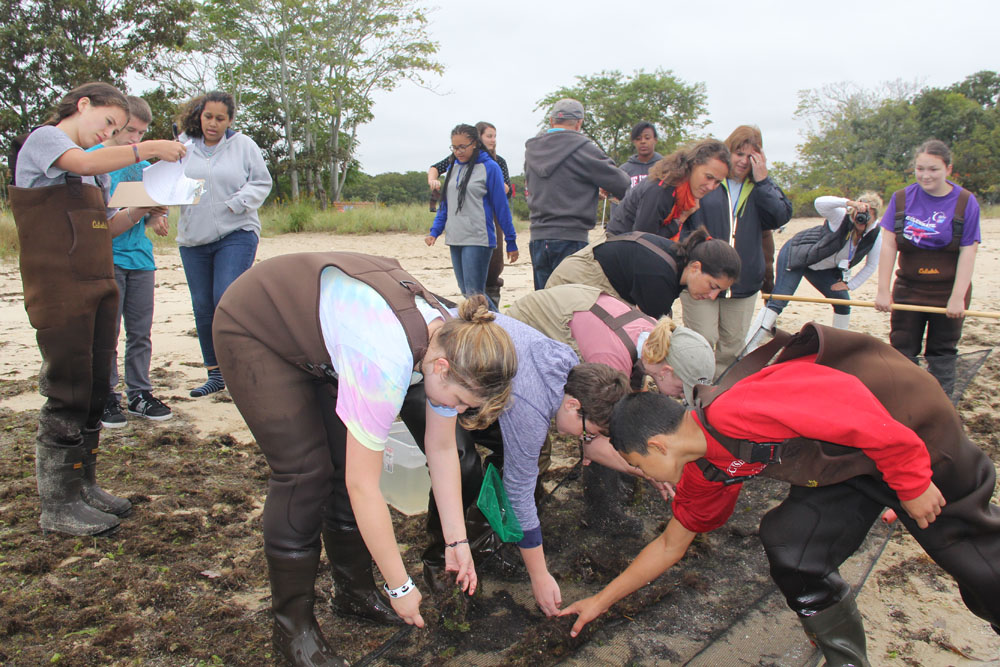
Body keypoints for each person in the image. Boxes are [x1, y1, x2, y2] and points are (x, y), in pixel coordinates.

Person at [561, 323, 1000, 667]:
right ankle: (846, 659)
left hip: (911, 429)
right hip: (842, 468)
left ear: (657, 445)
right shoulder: (705, 471)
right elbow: (670, 544)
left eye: (637, 465)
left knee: (969, 558)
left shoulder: (739, 407)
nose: (639, 473)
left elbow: (856, 408)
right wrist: (599, 602)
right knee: (791, 544)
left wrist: (912, 481)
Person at [212, 252, 518, 666]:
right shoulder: (386, 360)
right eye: (462, 403)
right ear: (441, 368)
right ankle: (292, 628)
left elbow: (442, 449)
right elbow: (365, 486)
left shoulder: (454, 338)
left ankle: (353, 592)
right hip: (256, 326)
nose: (459, 412)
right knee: (304, 474)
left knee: (342, 463)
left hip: (324, 337)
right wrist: (400, 586)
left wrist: (457, 541)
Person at [9, 82, 185, 536]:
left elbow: (103, 228)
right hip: (59, 285)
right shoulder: (48, 139)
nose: (108, 134)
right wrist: (146, 148)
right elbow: (84, 160)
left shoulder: (97, 174)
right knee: (67, 385)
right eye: (108, 123)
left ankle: (83, 485)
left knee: (93, 386)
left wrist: (142, 208)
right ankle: (58, 504)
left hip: (98, 281)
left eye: (118, 129)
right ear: (82, 104)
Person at [418, 313, 647, 618]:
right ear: (573, 406)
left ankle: (487, 541)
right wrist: (539, 577)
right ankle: (439, 559)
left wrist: (644, 469)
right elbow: (519, 491)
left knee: (529, 456)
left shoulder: (567, 365)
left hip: (483, 379)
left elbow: (580, 441)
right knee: (462, 463)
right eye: (587, 432)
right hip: (447, 371)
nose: (586, 439)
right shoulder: (531, 410)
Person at [507, 283, 715, 531]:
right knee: (572, 430)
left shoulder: (656, 338)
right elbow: (593, 444)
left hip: (570, 314)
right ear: (667, 371)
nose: (681, 396)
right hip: (525, 331)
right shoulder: (611, 360)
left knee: (615, 423)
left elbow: (634, 403)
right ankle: (600, 511)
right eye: (682, 390)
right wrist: (649, 470)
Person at [175, 90, 272, 398]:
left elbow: (261, 182)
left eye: (220, 118)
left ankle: (242, 369)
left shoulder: (244, 146)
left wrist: (236, 203)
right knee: (203, 306)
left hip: (236, 231)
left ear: (230, 120)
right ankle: (215, 374)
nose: (212, 124)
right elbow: (168, 182)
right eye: (207, 117)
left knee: (225, 298)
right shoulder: (183, 146)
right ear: (198, 116)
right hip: (193, 238)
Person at [681, 125, 792, 378]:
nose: (743, 161)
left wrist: (764, 181)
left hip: (743, 282)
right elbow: (684, 222)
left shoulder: (761, 189)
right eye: (738, 153)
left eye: (751, 155)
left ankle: (721, 397)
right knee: (702, 339)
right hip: (702, 276)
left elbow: (780, 216)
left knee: (732, 346)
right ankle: (696, 392)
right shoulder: (707, 183)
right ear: (727, 152)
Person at [91, 96, 173, 428]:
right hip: (106, 257)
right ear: (113, 126)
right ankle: (107, 396)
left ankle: (139, 392)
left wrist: (158, 215)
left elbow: (152, 211)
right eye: (131, 132)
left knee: (140, 332)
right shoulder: (94, 160)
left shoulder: (142, 166)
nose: (135, 140)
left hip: (140, 258)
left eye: (141, 134)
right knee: (107, 333)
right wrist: (142, 207)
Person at [875, 139, 981, 396]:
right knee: (902, 348)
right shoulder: (901, 199)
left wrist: (958, 298)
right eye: (920, 168)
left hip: (948, 291)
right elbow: (888, 246)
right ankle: (901, 403)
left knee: (942, 352)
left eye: (933, 169)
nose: (925, 175)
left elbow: (969, 250)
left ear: (948, 169)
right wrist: (882, 291)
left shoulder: (966, 202)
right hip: (909, 288)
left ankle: (942, 407)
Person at [745, 192, 883, 347]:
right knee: (779, 300)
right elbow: (820, 203)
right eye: (859, 215)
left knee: (843, 302)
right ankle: (749, 344)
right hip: (797, 255)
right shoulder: (841, 217)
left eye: (867, 217)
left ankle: (837, 347)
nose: (861, 220)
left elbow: (871, 265)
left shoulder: (875, 235)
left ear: (875, 218)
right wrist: (849, 204)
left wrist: (850, 285)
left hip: (822, 267)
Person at [523, 98, 630, 289]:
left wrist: (588, 191)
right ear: (579, 122)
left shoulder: (532, 150)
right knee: (571, 305)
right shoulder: (583, 148)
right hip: (571, 237)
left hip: (538, 236)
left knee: (544, 303)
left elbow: (544, 186)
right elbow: (622, 183)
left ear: (551, 120)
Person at [545, 229, 740, 319]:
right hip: (576, 280)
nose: (712, 296)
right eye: (713, 286)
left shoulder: (678, 261)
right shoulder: (659, 275)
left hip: (603, 278)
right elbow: (647, 339)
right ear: (696, 267)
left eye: (719, 292)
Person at [425, 124, 517, 307]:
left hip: (478, 238)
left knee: (475, 294)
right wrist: (435, 231)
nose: (458, 152)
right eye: (454, 147)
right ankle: (492, 328)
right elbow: (446, 205)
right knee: (466, 292)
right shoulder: (453, 165)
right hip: (456, 237)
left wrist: (511, 240)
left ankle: (502, 328)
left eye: (462, 147)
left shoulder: (490, 167)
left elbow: (501, 207)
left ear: (474, 143)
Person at [605, 139, 730, 239]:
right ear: (694, 164)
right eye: (708, 177)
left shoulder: (686, 192)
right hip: (618, 246)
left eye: (717, 182)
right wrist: (681, 219)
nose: (711, 187)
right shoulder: (662, 190)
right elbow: (644, 242)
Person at [619, 121, 663, 189]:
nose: (643, 141)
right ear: (634, 141)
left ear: (655, 140)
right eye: (638, 139)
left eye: (647, 138)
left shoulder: (666, 167)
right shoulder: (624, 170)